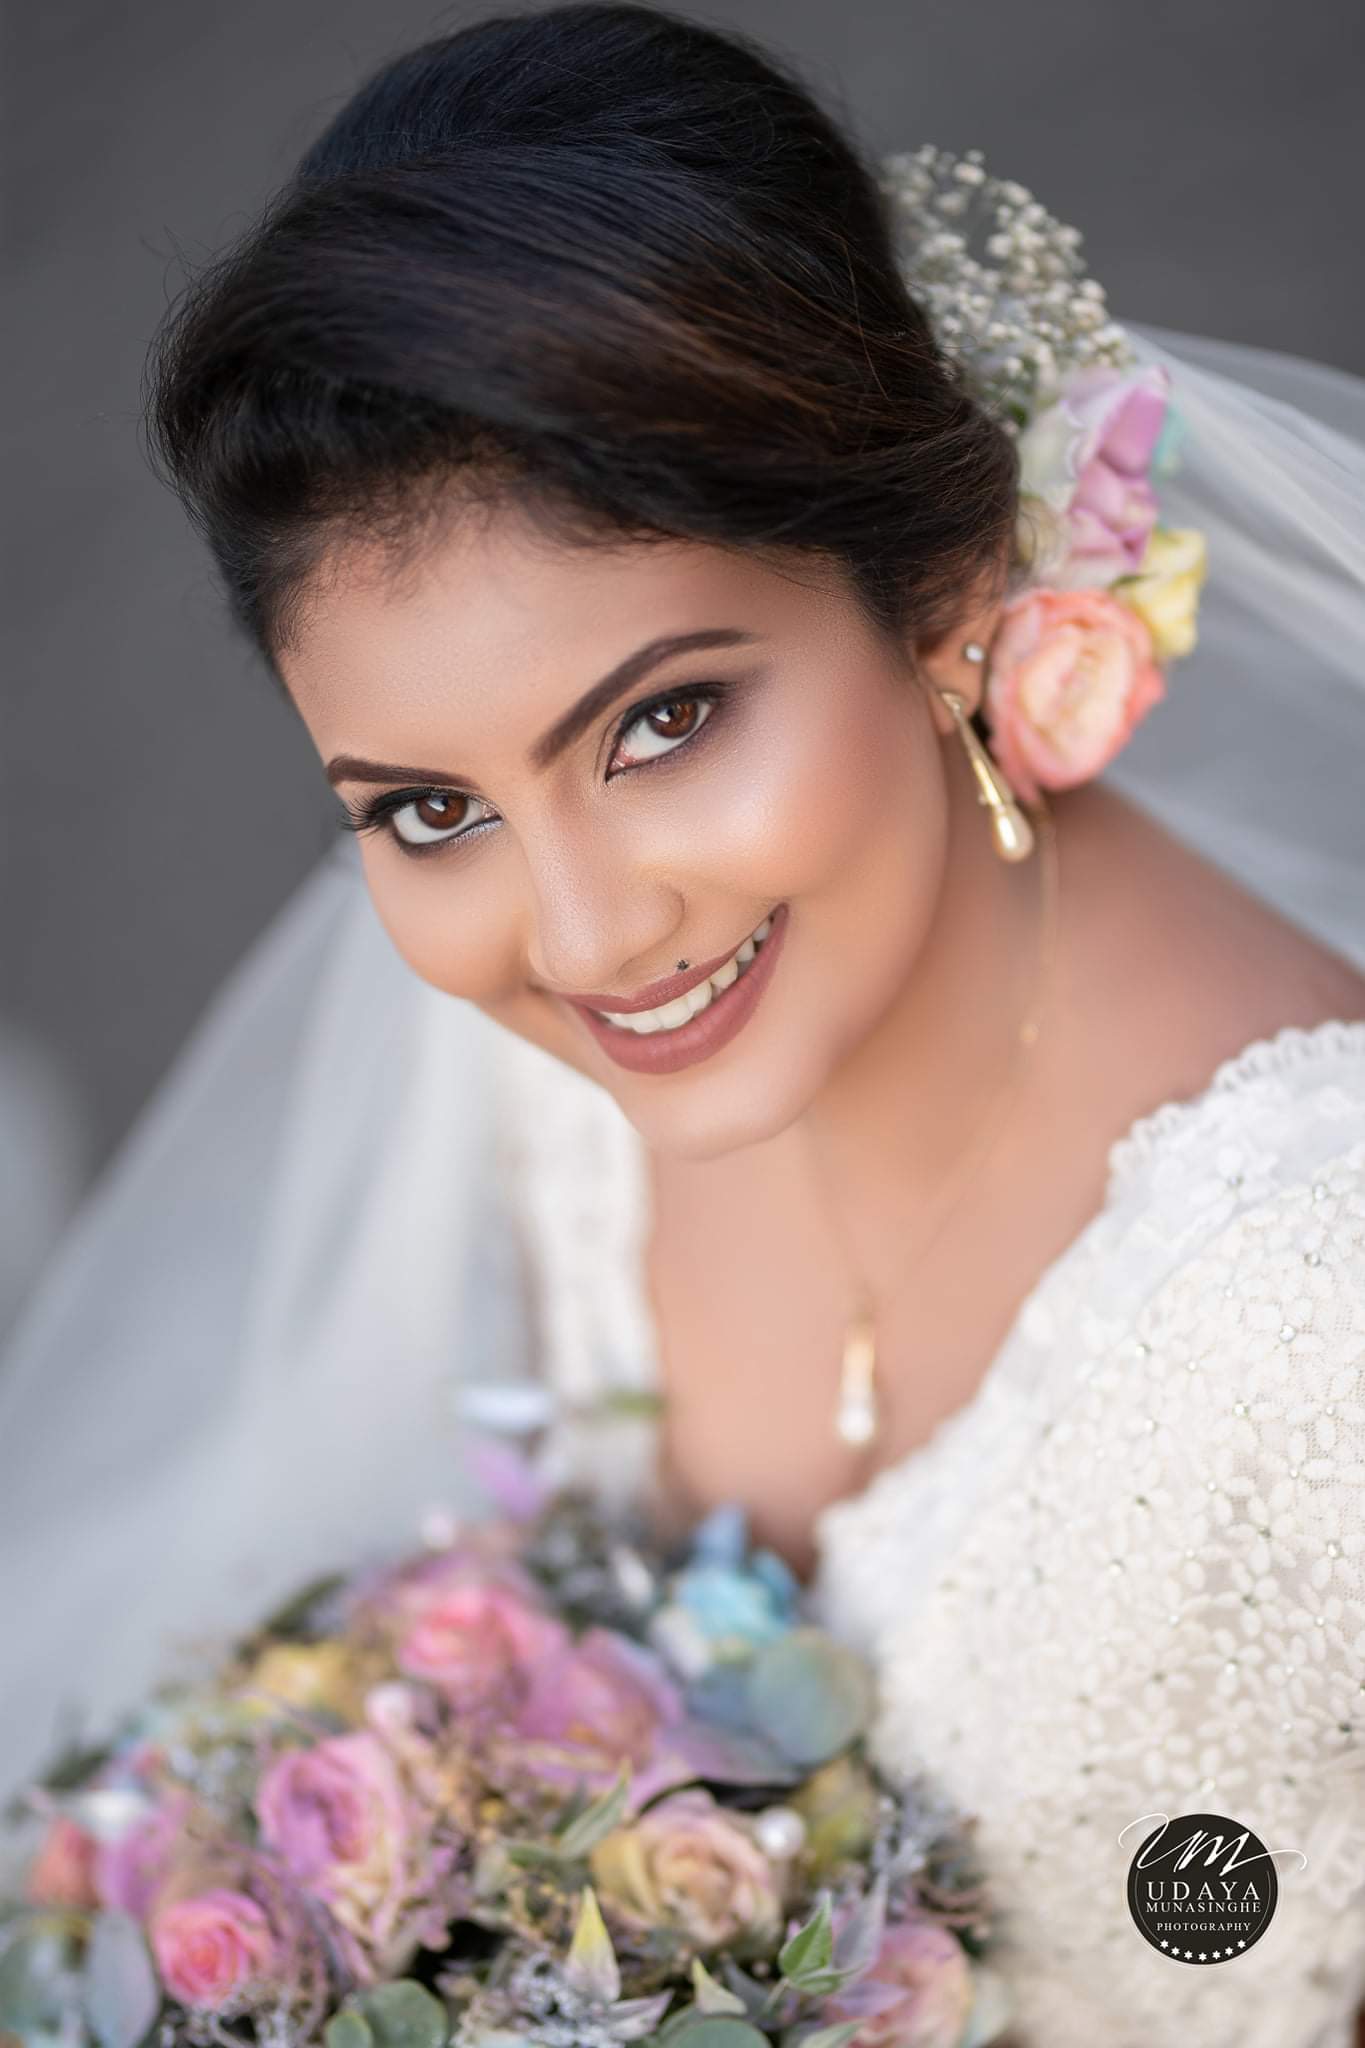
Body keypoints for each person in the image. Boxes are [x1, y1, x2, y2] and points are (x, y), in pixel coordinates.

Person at [3, 6, 1364, 2042]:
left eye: (660, 720)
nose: (579, 933)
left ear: (942, 584)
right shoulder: (539, 1062)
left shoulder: (1315, 1316)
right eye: (428, 810)